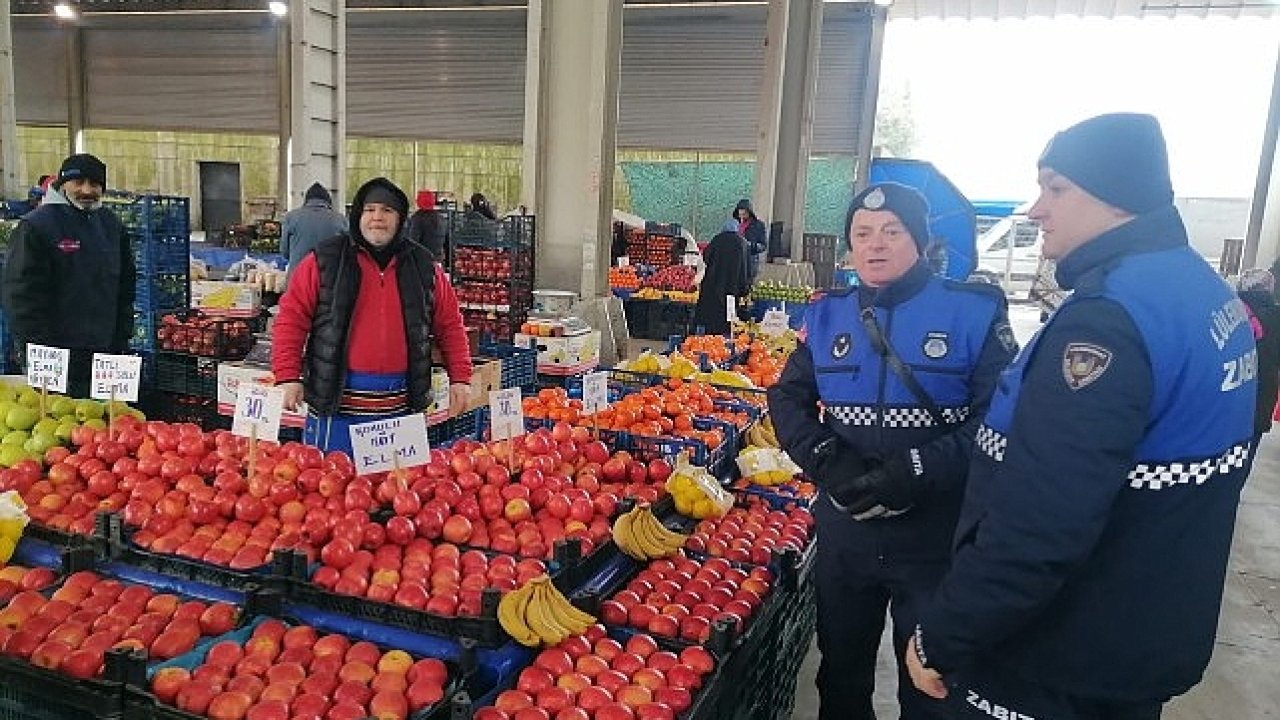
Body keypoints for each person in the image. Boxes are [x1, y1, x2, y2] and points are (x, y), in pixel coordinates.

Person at [907, 113, 1258, 720]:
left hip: (1055, 656)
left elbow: (1042, 521)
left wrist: (942, 635)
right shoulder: (1198, 294)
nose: (1038, 208)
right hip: (1133, 636)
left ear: (1116, 197)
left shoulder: (1109, 323)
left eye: (1056, 188)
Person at [769, 182, 1017, 720]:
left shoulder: (971, 313)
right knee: (841, 677)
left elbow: (1001, 420)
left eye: (891, 231)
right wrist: (828, 461)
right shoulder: (827, 315)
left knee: (928, 687)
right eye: (862, 234)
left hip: (934, 542)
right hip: (845, 538)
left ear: (921, 241)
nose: (875, 245)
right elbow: (786, 396)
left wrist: (916, 469)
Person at [272, 177, 473, 457]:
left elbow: (450, 325)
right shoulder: (323, 260)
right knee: (332, 492)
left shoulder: (425, 266)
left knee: (399, 494)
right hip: (336, 405)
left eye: (387, 211)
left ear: (401, 219)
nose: (377, 217)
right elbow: (292, 319)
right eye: (370, 209)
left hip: (401, 408)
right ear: (358, 215)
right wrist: (286, 376)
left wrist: (461, 378)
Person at [2, 154, 135, 397]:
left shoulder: (111, 226)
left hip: (102, 351)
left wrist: (121, 338)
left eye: (94, 184)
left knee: (105, 428)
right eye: (78, 182)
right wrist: (37, 346)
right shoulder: (36, 226)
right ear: (62, 184)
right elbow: (20, 294)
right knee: (54, 424)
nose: (87, 190)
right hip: (54, 351)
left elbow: (126, 286)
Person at [1237, 268, 1280, 439]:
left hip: (1230, 390)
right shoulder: (1276, 317)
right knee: (1249, 450)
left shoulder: (1229, 311)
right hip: (1262, 392)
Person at [280, 182, 347, 287]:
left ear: (306, 200)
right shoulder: (340, 219)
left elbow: (284, 252)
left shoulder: (291, 217)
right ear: (328, 201)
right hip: (330, 279)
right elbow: (348, 251)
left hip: (298, 278)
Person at [692, 230, 749, 336]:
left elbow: (706, 256)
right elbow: (746, 270)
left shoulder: (717, 239)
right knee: (727, 322)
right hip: (732, 288)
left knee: (709, 319)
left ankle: (705, 341)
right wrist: (744, 290)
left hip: (713, 284)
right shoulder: (743, 243)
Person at [406, 189, 449, 264]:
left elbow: (413, 242)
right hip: (438, 261)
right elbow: (447, 242)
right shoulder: (442, 218)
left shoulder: (417, 218)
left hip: (421, 262)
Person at [733, 198, 767, 284]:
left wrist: (750, 245)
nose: (742, 217)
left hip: (749, 261)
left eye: (744, 214)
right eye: (740, 214)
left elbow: (763, 246)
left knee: (746, 286)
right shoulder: (734, 224)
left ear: (749, 212)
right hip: (735, 260)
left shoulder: (758, 225)